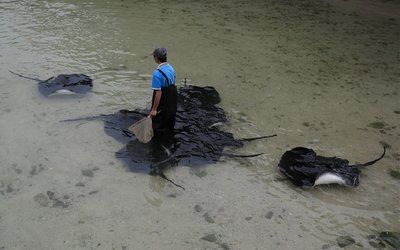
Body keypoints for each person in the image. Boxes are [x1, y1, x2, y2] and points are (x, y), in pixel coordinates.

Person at [149, 48, 177, 133]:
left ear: (156, 58)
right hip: (172, 99)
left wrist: (154, 110)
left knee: (158, 122)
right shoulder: (170, 67)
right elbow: (174, 81)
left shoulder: (157, 73)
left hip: (163, 99)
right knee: (170, 117)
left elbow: (158, 92)